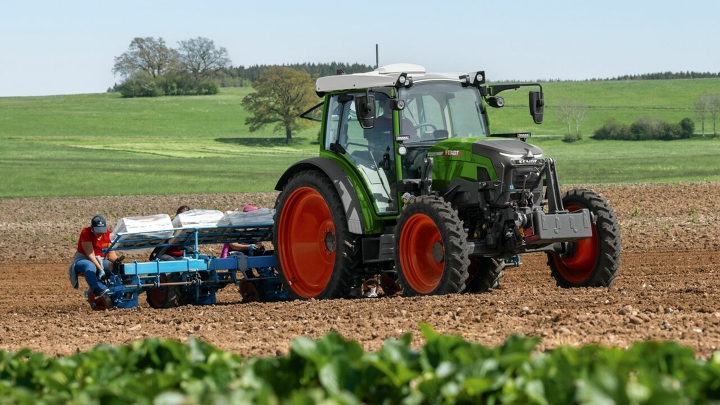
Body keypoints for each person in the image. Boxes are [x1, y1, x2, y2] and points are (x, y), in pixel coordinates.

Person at [68, 215, 117, 298]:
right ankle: (96, 290)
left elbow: (111, 254)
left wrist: (117, 263)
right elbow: (90, 254)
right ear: (92, 228)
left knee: (112, 266)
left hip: (100, 259)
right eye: (98, 231)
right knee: (90, 266)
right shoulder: (86, 233)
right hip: (84, 259)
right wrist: (100, 269)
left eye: (102, 231)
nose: (100, 234)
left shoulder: (108, 234)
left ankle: (115, 287)